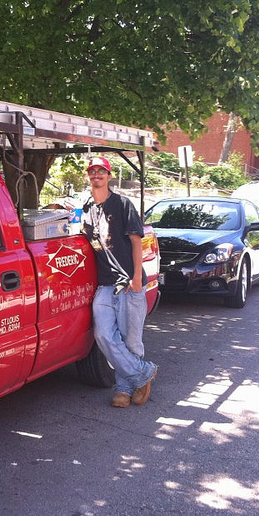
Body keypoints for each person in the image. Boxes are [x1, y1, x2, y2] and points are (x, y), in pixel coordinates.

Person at [81, 156, 157, 408]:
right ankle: (144, 372)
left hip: (129, 282)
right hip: (105, 284)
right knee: (103, 335)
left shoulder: (123, 204)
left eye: (101, 171)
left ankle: (124, 390)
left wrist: (136, 278)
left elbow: (136, 242)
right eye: (92, 171)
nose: (96, 174)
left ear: (109, 175)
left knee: (130, 340)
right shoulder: (87, 209)